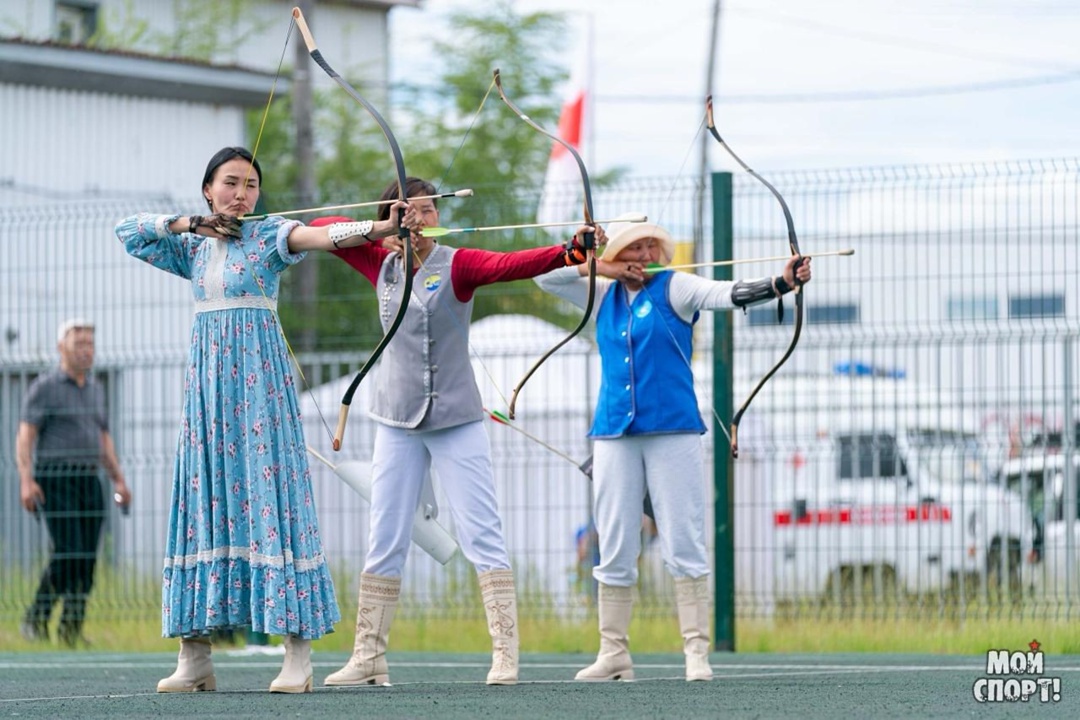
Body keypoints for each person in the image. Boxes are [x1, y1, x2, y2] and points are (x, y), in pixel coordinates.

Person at [115, 146, 402, 694]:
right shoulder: (192, 248)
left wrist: (379, 226)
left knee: (275, 501)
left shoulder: (268, 237)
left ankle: (298, 654)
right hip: (207, 402)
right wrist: (189, 223)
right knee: (205, 505)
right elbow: (128, 232)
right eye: (230, 182)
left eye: (250, 185)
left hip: (260, 398)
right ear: (208, 189)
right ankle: (194, 656)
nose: (241, 193)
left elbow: (320, 236)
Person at [316, 177, 595, 687]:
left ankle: (505, 654)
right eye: (410, 212)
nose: (420, 220)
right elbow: (319, 228)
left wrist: (569, 251)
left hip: (456, 419)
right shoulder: (377, 260)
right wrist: (380, 229)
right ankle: (369, 656)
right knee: (385, 535)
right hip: (395, 418)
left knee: (481, 531)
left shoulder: (458, 263)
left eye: (426, 210)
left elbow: (514, 264)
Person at [535, 213, 812, 682]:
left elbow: (724, 294)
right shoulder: (601, 292)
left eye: (649, 248)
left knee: (683, 538)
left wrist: (781, 283)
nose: (643, 257)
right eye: (633, 250)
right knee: (616, 540)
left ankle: (695, 653)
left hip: (673, 431)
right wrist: (592, 261)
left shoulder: (676, 287)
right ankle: (614, 654)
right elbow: (545, 277)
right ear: (617, 257)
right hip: (613, 433)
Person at [17, 319, 131, 648]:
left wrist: (119, 479)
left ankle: (71, 628)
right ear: (60, 347)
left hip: (89, 479)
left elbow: (103, 439)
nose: (86, 350)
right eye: (78, 343)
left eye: (90, 344)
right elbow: (25, 436)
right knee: (68, 552)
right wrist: (26, 480)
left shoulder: (95, 389)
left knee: (87, 557)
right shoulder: (45, 386)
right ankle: (35, 618)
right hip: (55, 478)